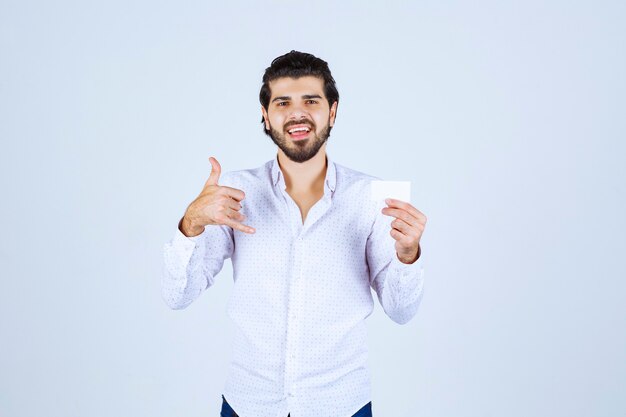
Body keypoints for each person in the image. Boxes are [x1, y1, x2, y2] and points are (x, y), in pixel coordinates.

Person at [162, 50, 427, 417]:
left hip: (341, 405)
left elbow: (402, 311)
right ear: (265, 116)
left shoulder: (372, 197)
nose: (297, 113)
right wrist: (190, 224)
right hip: (248, 404)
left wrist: (408, 253)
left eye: (311, 101)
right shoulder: (235, 191)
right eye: (283, 102)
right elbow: (177, 295)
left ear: (332, 111)